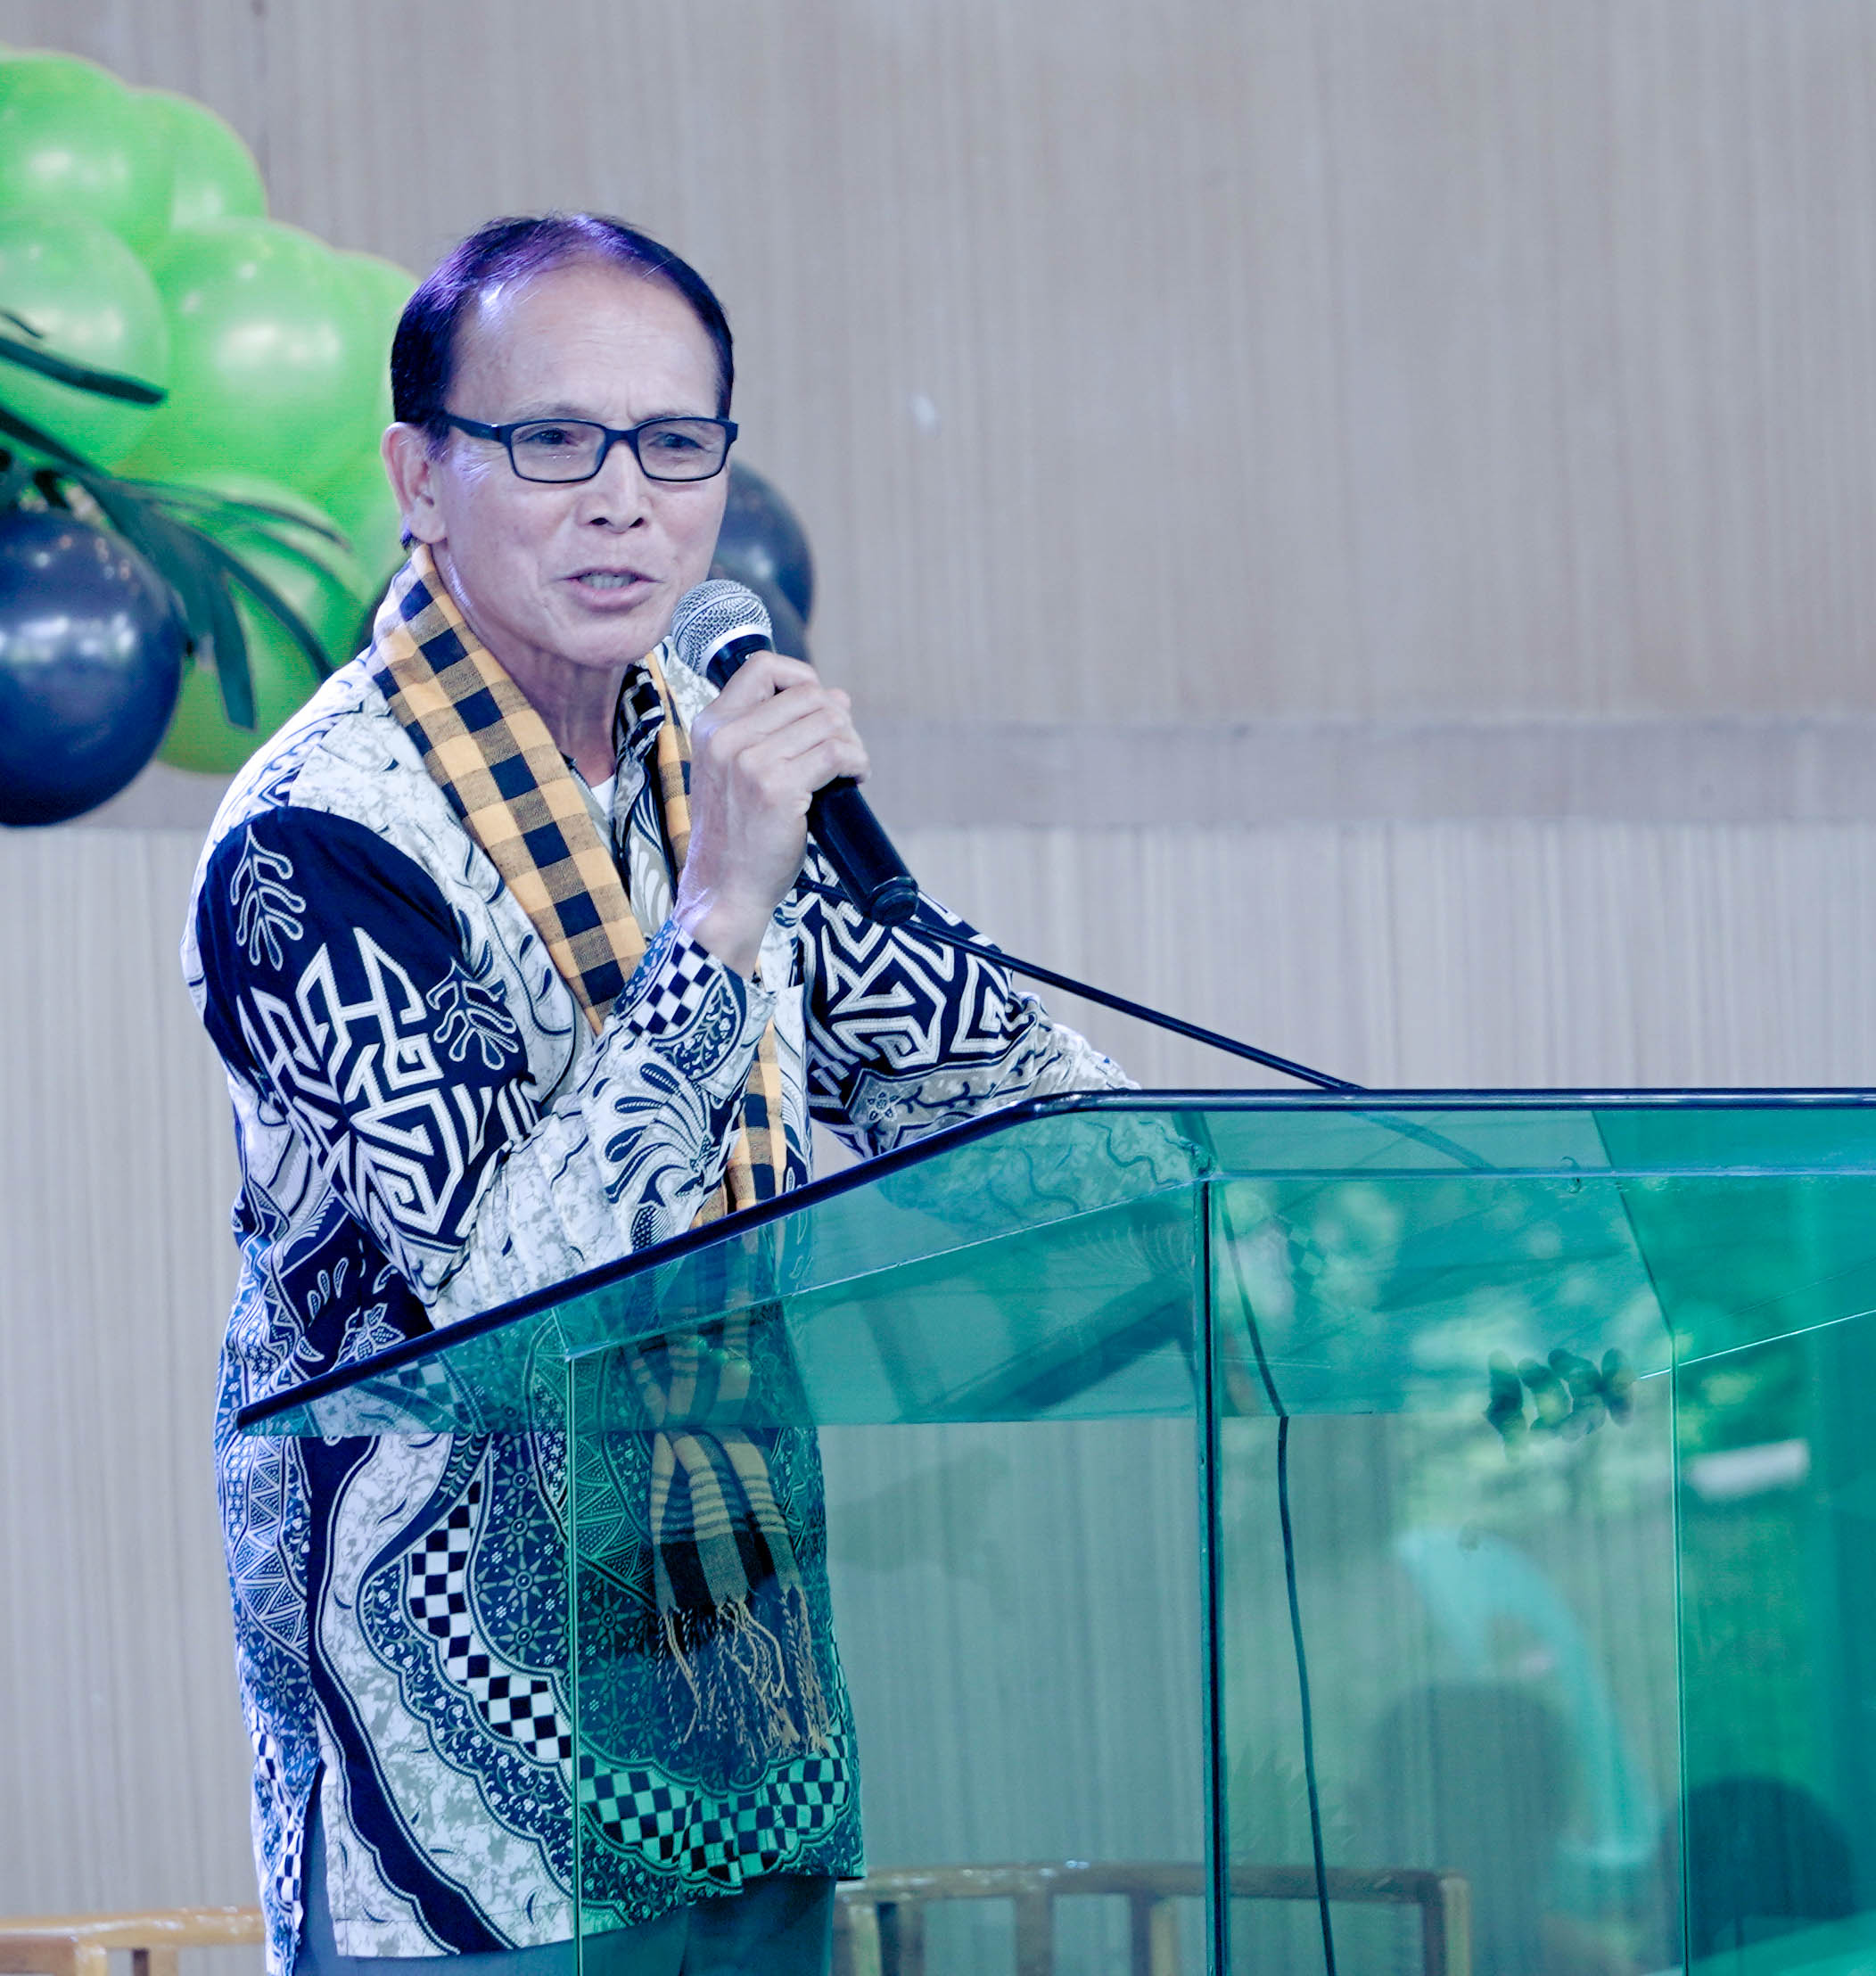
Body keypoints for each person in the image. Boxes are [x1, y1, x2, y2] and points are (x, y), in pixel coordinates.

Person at [181, 212, 1129, 1976]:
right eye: (555, 440)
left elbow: (1035, 1141)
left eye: (675, 445)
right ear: (420, 476)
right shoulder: (312, 845)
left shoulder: (717, 771)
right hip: (467, 1810)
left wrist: (1206, 1187)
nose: (624, 500)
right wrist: (716, 927)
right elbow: (517, 1309)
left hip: (747, 1735)